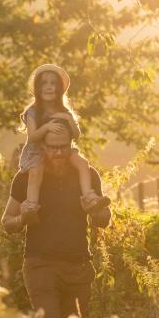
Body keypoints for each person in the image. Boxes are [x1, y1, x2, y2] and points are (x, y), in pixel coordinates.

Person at [1, 123, 112, 318]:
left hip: (78, 267)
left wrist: (94, 211)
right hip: (40, 265)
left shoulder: (87, 174)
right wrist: (23, 218)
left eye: (64, 146)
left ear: (72, 143)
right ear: (41, 146)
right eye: (52, 147)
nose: (59, 152)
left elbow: (103, 220)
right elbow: (8, 223)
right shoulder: (26, 177)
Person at [18, 63, 110, 219]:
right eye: (44, 83)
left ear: (59, 88)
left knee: (82, 163)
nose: (48, 87)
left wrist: (69, 119)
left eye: (53, 83)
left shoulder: (64, 111)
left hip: (64, 147)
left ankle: (89, 196)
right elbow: (32, 136)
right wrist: (46, 127)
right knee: (36, 172)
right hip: (37, 150)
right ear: (38, 88)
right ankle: (31, 207)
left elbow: (76, 135)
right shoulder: (32, 111)